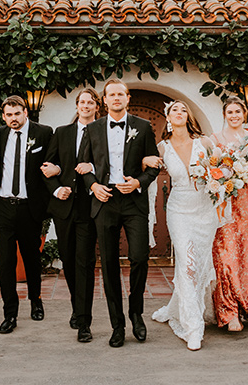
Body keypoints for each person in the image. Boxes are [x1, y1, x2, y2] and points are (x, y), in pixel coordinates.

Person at [79, 78, 159, 348]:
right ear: (105, 100)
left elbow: (154, 165)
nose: (115, 98)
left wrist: (139, 182)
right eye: (110, 94)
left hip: (133, 200)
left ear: (128, 98)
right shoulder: (92, 129)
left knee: (139, 257)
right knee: (109, 264)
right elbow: (83, 164)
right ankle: (117, 324)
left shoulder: (144, 126)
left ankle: (136, 313)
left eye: (120, 94)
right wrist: (93, 186)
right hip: (105, 201)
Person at [147, 101, 219, 350]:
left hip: (205, 210)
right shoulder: (162, 148)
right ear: (168, 117)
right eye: (174, 109)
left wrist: (220, 179)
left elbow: (225, 169)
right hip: (178, 209)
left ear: (188, 116)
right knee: (187, 264)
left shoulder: (206, 143)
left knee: (198, 264)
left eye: (183, 109)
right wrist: (145, 161)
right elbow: (143, 170)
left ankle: (176, 307)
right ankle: (193, 327)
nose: (179, 112)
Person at [0, 95, 53, 334]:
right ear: (3, 116)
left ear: (25, 112)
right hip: (3, 206)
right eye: (8, 115)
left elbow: (52, 164)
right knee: (5, 262)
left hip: (30, 207)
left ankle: (35, 299)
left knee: (31, 259)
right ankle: (10, 312)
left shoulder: (44, 133)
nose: (13, 119)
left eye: (17, 114)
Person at [42, 87, 102, 343]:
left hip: (89, 208)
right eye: (82, 102)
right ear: (77, 106)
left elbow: (111, 165)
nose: (86, 105)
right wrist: (57, 190)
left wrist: (96, 169)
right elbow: (46, 167)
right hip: (65, 207)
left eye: (90, 102)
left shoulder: (103, 133)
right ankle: (77, 307)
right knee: (68, 261)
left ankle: (84, 320)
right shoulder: (62, 132)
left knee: (85, 263)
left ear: (96, 106)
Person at [208, 97, 248, 332]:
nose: (234, 115)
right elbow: (209, 169)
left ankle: (246, 304)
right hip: (225, 202)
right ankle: (228, 311)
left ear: (245, 113)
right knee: (226, 254)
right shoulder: (214, 140)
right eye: (230, 111)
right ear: (224, 114)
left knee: (247, 255)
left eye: (238, 111)